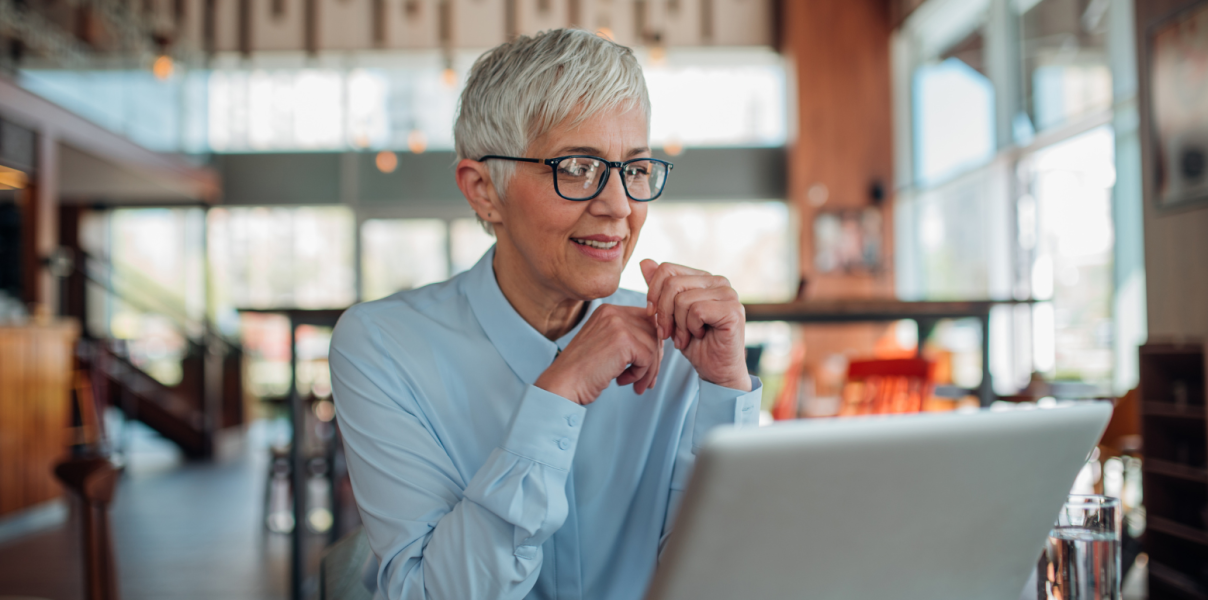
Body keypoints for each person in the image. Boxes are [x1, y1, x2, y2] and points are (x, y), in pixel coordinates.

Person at [330, 28, 762, 600]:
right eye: (578, 167)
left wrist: (726, 392)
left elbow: (719, 580)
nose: (619, 207)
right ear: (484, 191)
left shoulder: (682, 346)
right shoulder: (382, 347)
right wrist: (557, 394)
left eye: (634, 169)